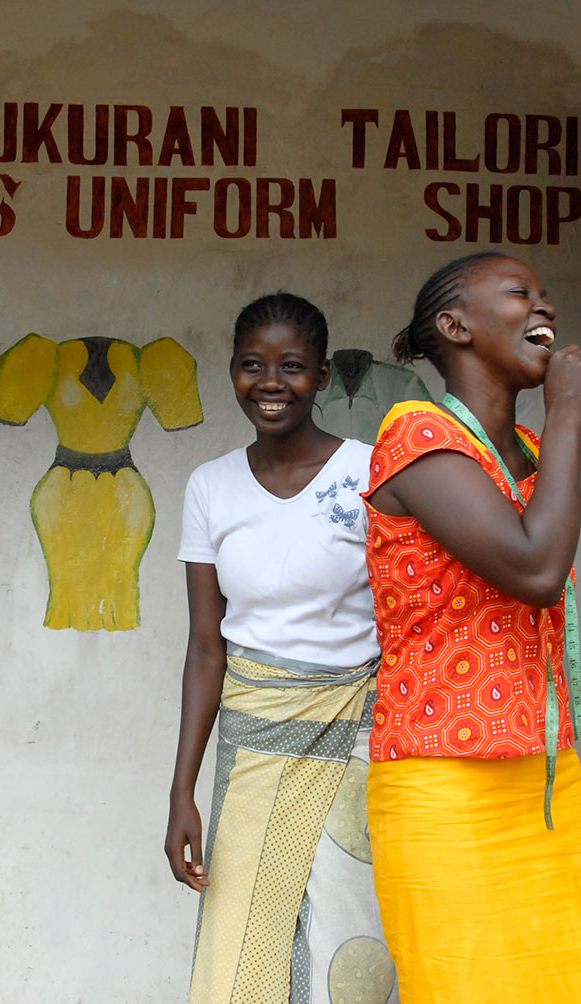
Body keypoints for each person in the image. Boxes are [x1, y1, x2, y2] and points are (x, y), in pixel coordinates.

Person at [362, 252, 581, 1003]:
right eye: (521, 294)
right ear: (455, 327)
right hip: (445, 787)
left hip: (546, 782)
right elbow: (536, 571)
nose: (545, 309)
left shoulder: (537, 458)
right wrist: (571, 417)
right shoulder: (414, 436)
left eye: (547, 296)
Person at [165, 293, 398, 1004]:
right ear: (232, 373)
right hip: (254, 742)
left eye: (292, 366)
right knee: (239, 951)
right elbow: (207, 649)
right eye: (252, 366)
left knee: (351, 948)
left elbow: (407, 615)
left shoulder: (373, 472)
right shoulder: (211, 486)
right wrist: (182, 791)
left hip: (356, 733)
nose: (271, 383)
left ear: (323, 376)